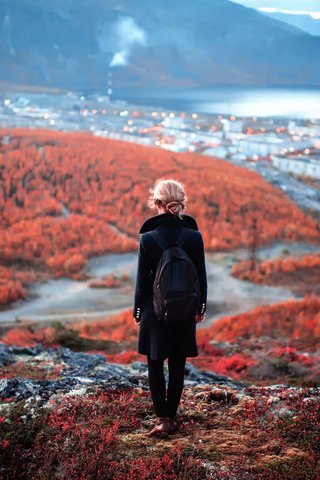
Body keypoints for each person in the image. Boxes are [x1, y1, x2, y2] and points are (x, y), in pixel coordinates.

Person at [132, 178, 207, 436]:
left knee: (155, 364)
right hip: (185, 309)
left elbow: (142, 282)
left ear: (157, 203)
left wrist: (138, 311)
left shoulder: (149, 238)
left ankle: (162, 420)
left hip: (154, 310)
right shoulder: (194, 236)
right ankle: (172, 419)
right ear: (181, 202)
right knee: (177, 365)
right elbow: (201, 276)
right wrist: (201, 307)